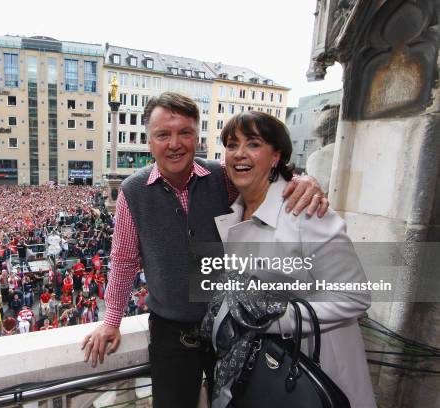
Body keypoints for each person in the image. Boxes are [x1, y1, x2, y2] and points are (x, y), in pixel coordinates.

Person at [82, 92, 328, 407]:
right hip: (170, 330)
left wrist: (306, 180)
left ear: (197, 138)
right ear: (149, 142)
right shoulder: (133, 191)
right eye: (163, 135)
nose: (175, 143)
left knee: (234, 402)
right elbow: (125, 261)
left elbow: (267, 176)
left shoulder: (221, 176)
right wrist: (112, 319)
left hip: (232, 323)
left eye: (185, 132)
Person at [206, 111, 375, 407]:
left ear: (276, 156)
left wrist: (270, 318)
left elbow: (354, 296)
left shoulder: (306, 212)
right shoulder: (234, 210)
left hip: (306, 369)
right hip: (250, 368)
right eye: (232, 145)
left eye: (254, 144)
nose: (239, 154)